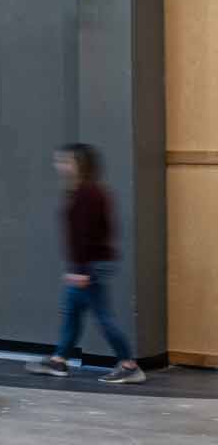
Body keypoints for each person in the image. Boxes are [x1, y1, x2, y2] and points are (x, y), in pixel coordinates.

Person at [40, 144, 145, 385]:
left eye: (66, 161)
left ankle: (129, 364)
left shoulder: (88, 194)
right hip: (87, 265)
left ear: (80, 164)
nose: (60, 166)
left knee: (102, 316)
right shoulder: (82, 192)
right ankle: (59, 359)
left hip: (89, 267)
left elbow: (88, 235)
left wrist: (81, 270)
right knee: (71, 312)